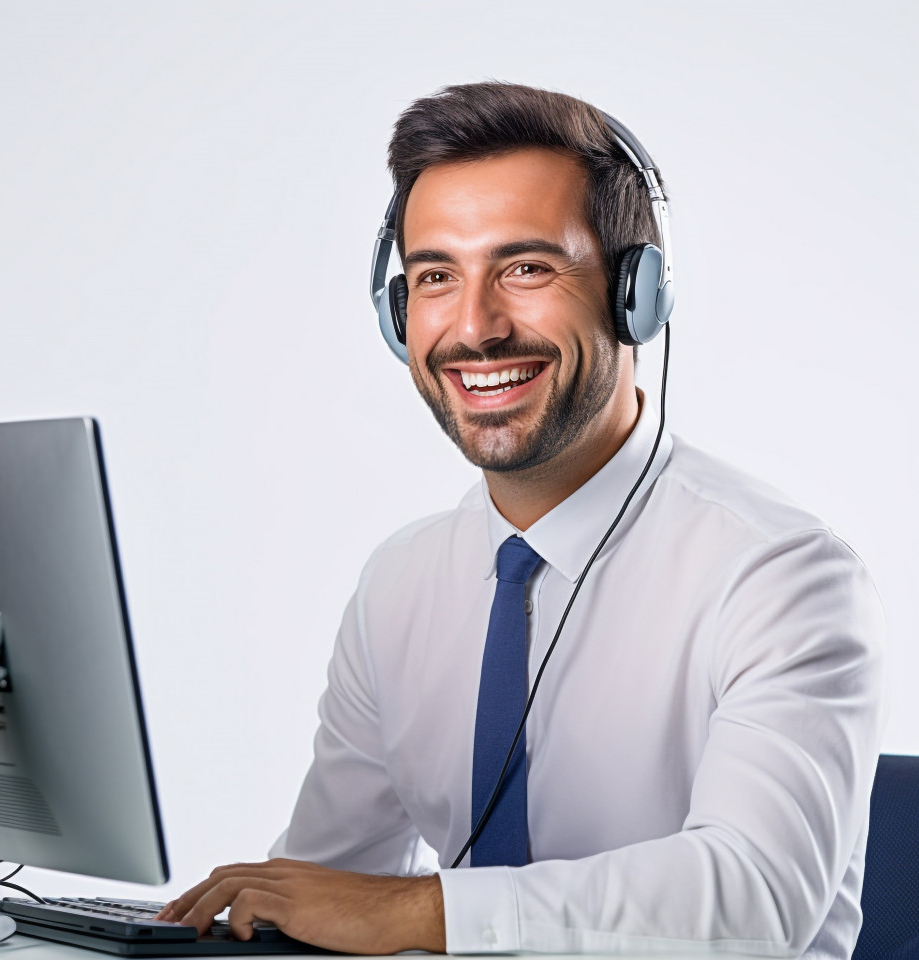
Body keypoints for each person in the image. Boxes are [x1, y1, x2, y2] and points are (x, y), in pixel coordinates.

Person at [157, 82, 886, 958]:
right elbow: (322, 888)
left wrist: (418, 910)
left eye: (526, 268)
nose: (475, 327)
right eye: (435, 277)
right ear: (399, 317)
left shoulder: (780, 574)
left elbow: (752, 905)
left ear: (635, 295)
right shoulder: (402, 583)